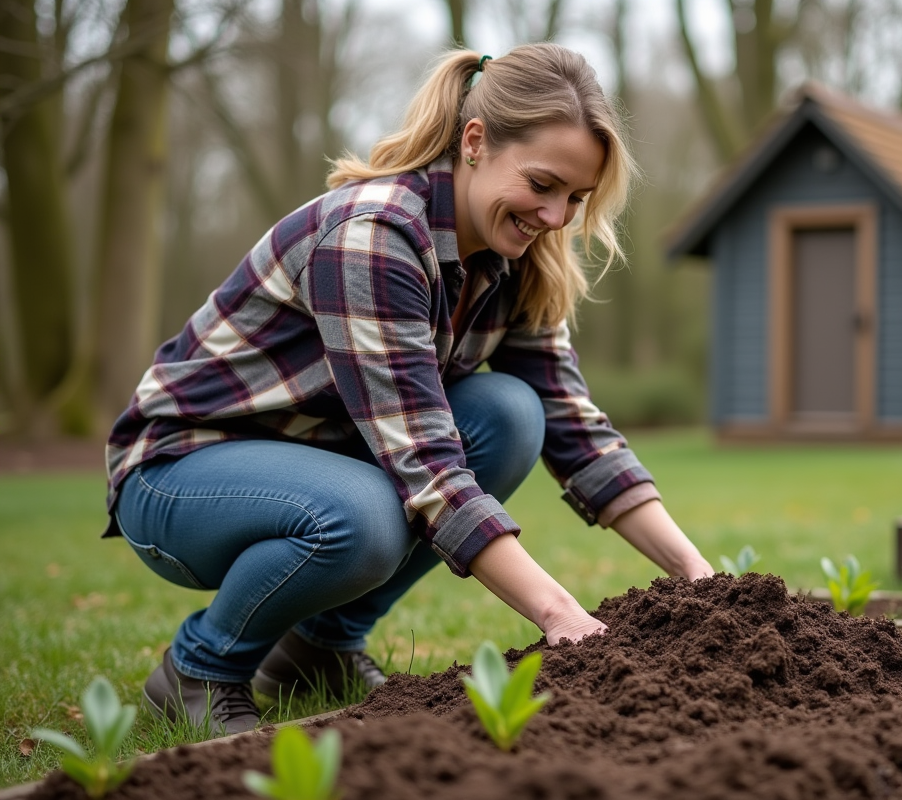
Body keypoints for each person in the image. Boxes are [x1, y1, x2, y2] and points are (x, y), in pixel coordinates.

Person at [103, 43, 714, 737]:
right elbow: (426, 467)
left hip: (326, 462)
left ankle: (318, 650)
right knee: (363, 516)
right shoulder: (374, 236)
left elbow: (574, 426)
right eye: (543, 185)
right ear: (476, 142)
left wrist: (702, 580)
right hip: (180, 476)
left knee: (512, 414)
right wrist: (558, 614)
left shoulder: (521, 255)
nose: (556, 217)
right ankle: (200, 669)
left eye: (575, 198)